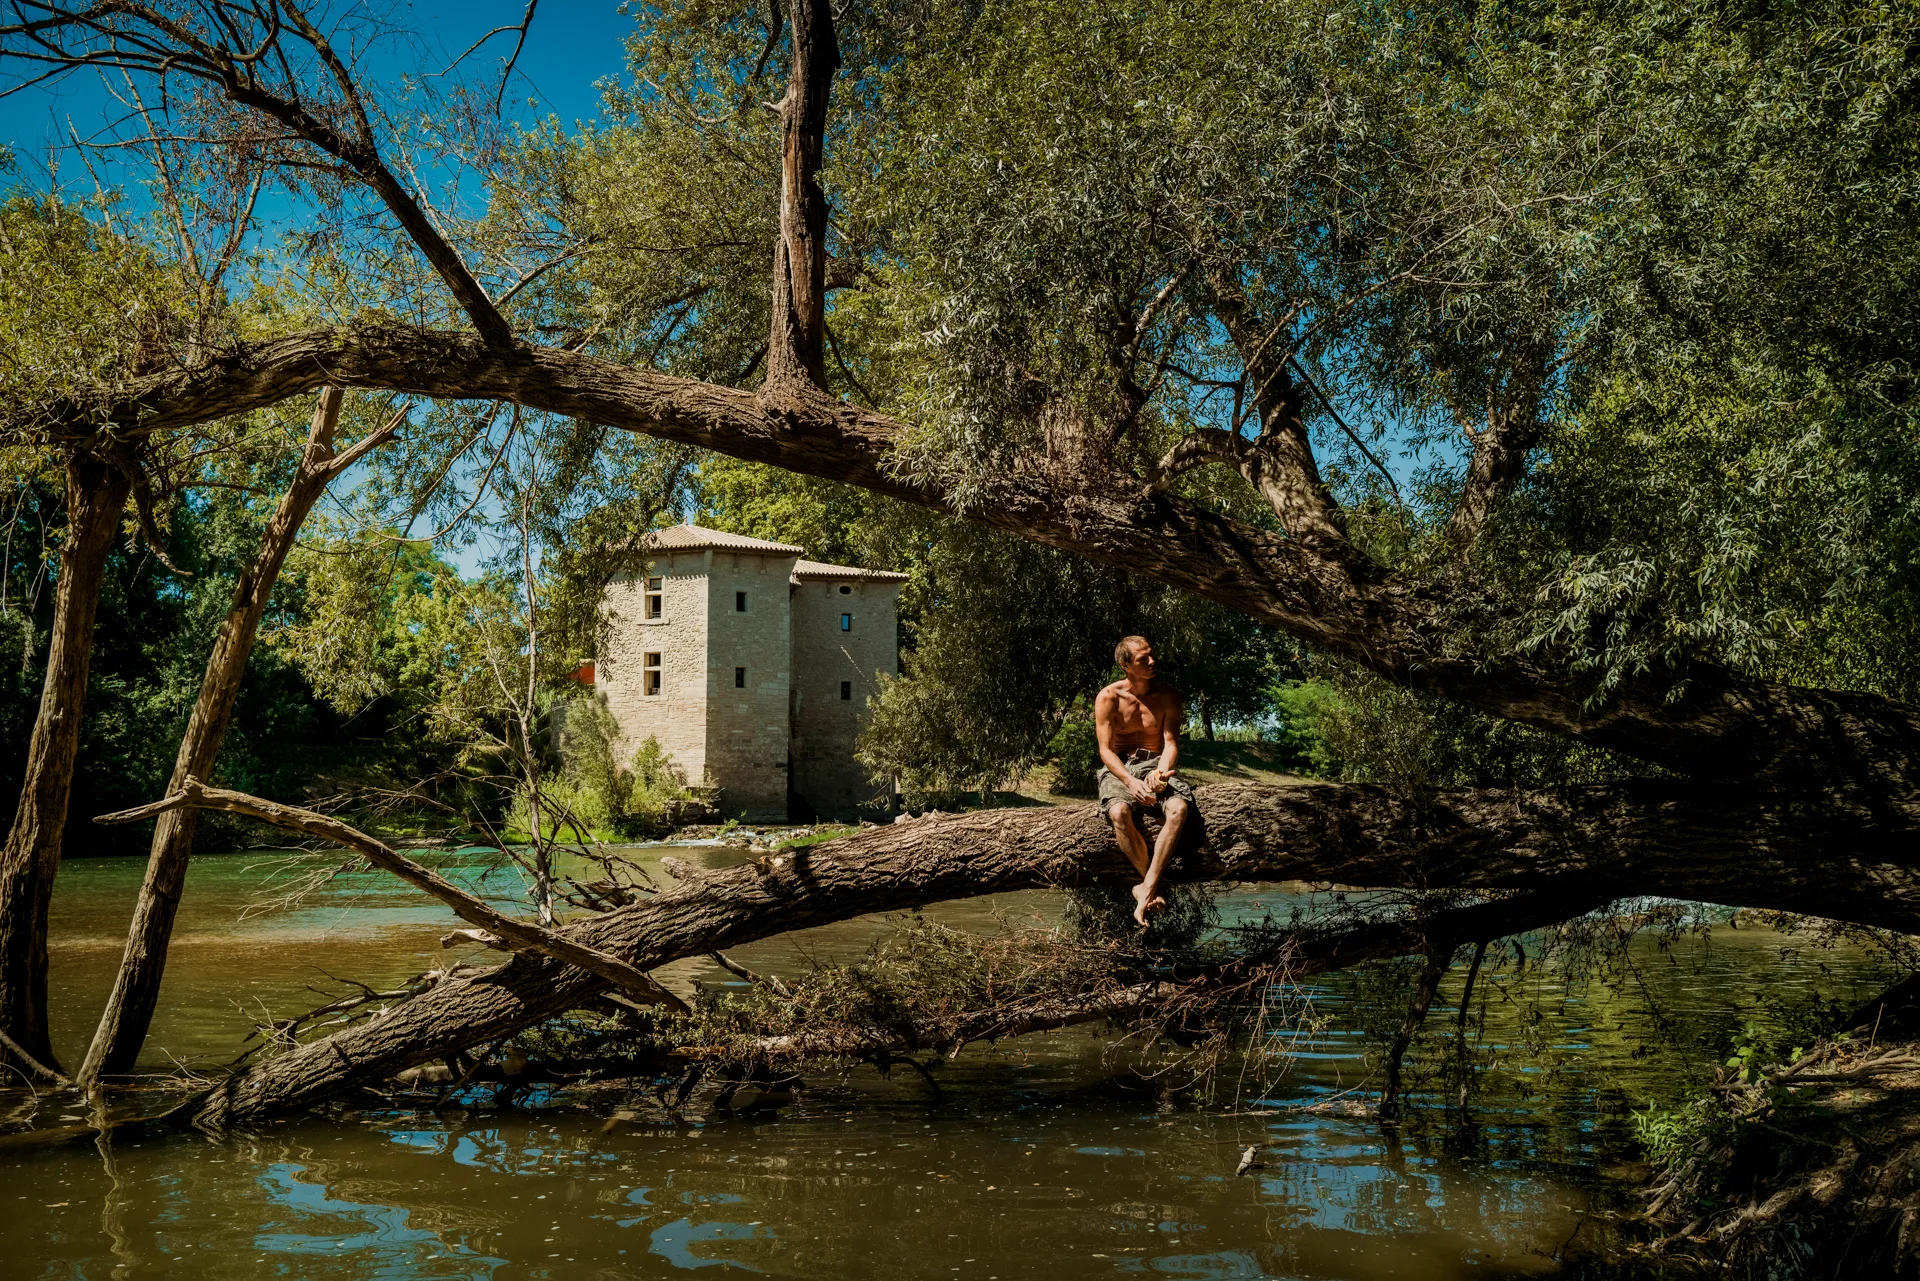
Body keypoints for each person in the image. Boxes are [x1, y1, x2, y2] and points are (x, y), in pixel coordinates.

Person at [1094, 635, 1195, 925]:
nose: (1152, 662)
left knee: (1178, 809)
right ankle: (1152, 886)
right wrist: (1130, 782)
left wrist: (1161, 774)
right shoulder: (1108, 697)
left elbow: (1171, 742)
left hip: (1155, 761)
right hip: (1121, 766)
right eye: (1143, 659)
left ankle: (1146, 888)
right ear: (1126, 665)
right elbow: (1104, 750)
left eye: (1151, 655)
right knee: (1118, 812)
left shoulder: (1169, 695)